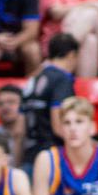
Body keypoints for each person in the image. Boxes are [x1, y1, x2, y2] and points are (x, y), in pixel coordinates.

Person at [22, 32, 78, 165]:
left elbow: (20, 127)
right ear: (72, 55)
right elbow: (58, 126)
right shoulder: (61, 79)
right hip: (52, 157)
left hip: (29, 154)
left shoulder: (33, 78)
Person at [0, 84, 28, 166]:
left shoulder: (34, 132)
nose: (5, 107)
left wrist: (20, 137)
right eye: (0, 104)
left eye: (11, 102)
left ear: (23, 105)